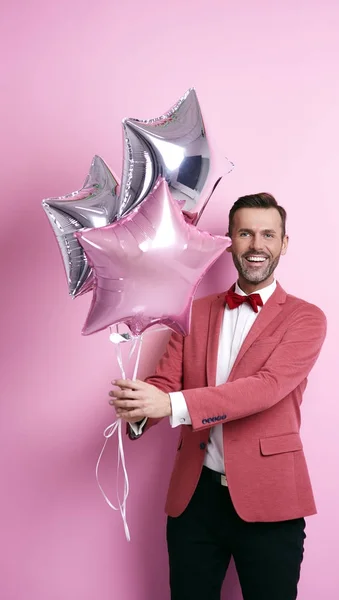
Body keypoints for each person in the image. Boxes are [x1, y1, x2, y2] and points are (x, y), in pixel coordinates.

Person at [109, 193, 327, 600]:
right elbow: (165, 383)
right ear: (229, 239)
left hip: (271, 501)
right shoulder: (193, 310)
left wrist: (171, 406)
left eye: (267, 234)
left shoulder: (306, 318)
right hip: (196, 500)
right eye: (245, 233)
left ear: (283, 243)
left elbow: (266, 387)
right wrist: (139, 407)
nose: (256, 245)